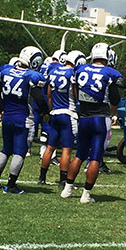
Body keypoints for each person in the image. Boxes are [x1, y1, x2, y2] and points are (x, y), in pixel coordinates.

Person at [61, 43, 122, 203]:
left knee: (79, 154)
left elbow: (74, 89)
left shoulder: (81, 69)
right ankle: (86, 195)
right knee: (95, 156)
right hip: (99, 117)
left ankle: (67, 189)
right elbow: (115, 98)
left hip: (84, 117)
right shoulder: (110, 73)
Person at [0, 46, 48, 194]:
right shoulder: (31, 76)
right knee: (20, 152)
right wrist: (46, 112)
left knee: (5, 150)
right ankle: (11, 185)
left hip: (7, 116)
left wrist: (1, 108)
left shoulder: (6, 71)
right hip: (23, 118)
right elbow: (39, 99)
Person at [38, 50, 86, 187]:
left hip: (55, 113)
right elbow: (76, 95)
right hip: (68, 114)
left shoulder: (54, 71)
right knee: (67, 149)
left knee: (50, 147)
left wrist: (52, 109)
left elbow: (48, 95)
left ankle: (42, 177)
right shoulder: (73, 74)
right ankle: (63, 180)